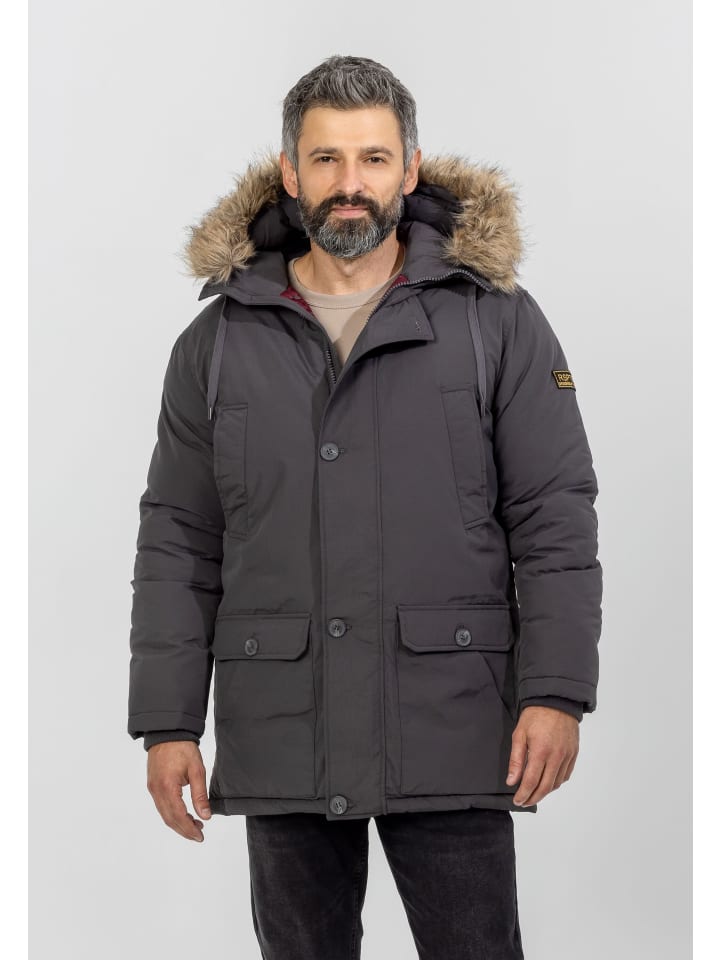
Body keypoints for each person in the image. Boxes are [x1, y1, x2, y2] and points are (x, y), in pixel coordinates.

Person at [127, 54, 602, 960]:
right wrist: (168, 721)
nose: (351, 184)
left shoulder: (494, 320)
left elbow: (554, 516)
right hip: (284, 726)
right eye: (327, 159)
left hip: (453, 723)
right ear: (289, 171)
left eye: (374, 158)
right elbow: (179, 541)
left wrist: (555, 691)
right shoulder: (218, 340)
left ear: (409, 170)